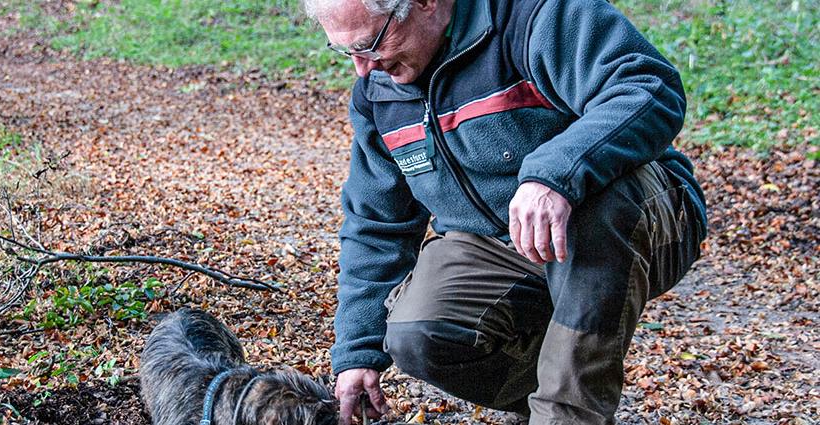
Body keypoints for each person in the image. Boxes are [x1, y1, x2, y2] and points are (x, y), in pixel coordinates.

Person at [303, 0, 708, 423]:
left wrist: (555, 175)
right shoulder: (379, 95)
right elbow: (376, 224)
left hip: (641, 216)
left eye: (370, 45)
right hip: (499, 246)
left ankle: (568, 413)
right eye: (346, 52)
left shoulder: (535, 16)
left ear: (425, 4)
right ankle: (556, 399)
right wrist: (357, 353)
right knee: (415, 334)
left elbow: (647, 85)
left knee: (587, 213)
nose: (362, 70)